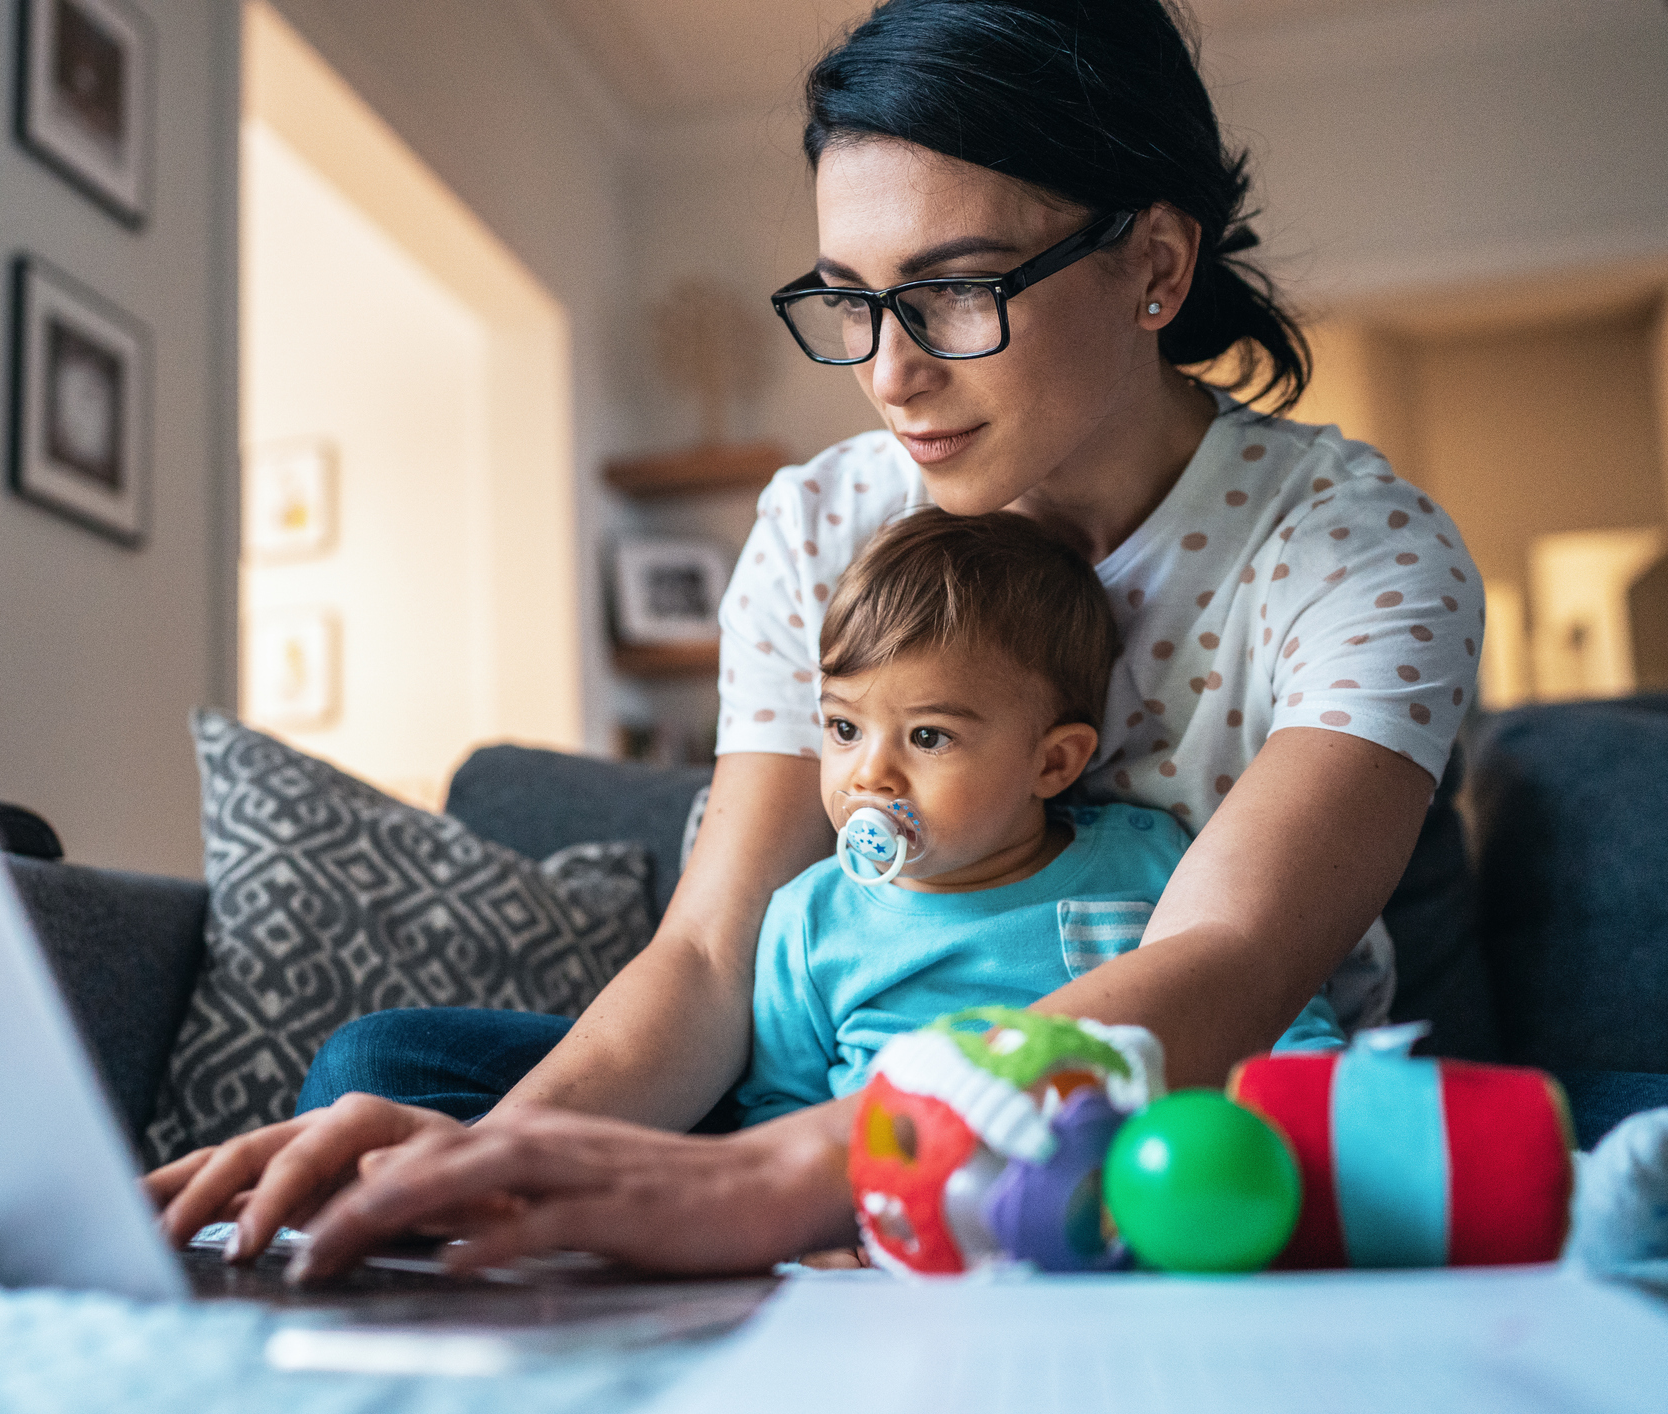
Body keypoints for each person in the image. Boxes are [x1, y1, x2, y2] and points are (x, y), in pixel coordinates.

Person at [147, 0, 1483, 1281]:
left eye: (956, 291)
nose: (890, 371)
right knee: (389, 1083)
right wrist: (503, 1160)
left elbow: (1223, 962)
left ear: (1155, 264)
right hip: (835, 1077)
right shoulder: (822, 517)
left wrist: (778, 1176)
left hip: (1186, 1113)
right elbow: (715, 955)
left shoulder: (1355, 548)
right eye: (853, 299)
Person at [739, 508, 1345, 1135]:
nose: (870, 775)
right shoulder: (808, 923)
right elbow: (776, 1113)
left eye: (928, 736)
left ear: (1053, 763)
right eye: (844, 728)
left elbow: (1279, 1019)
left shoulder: (1149, 863)